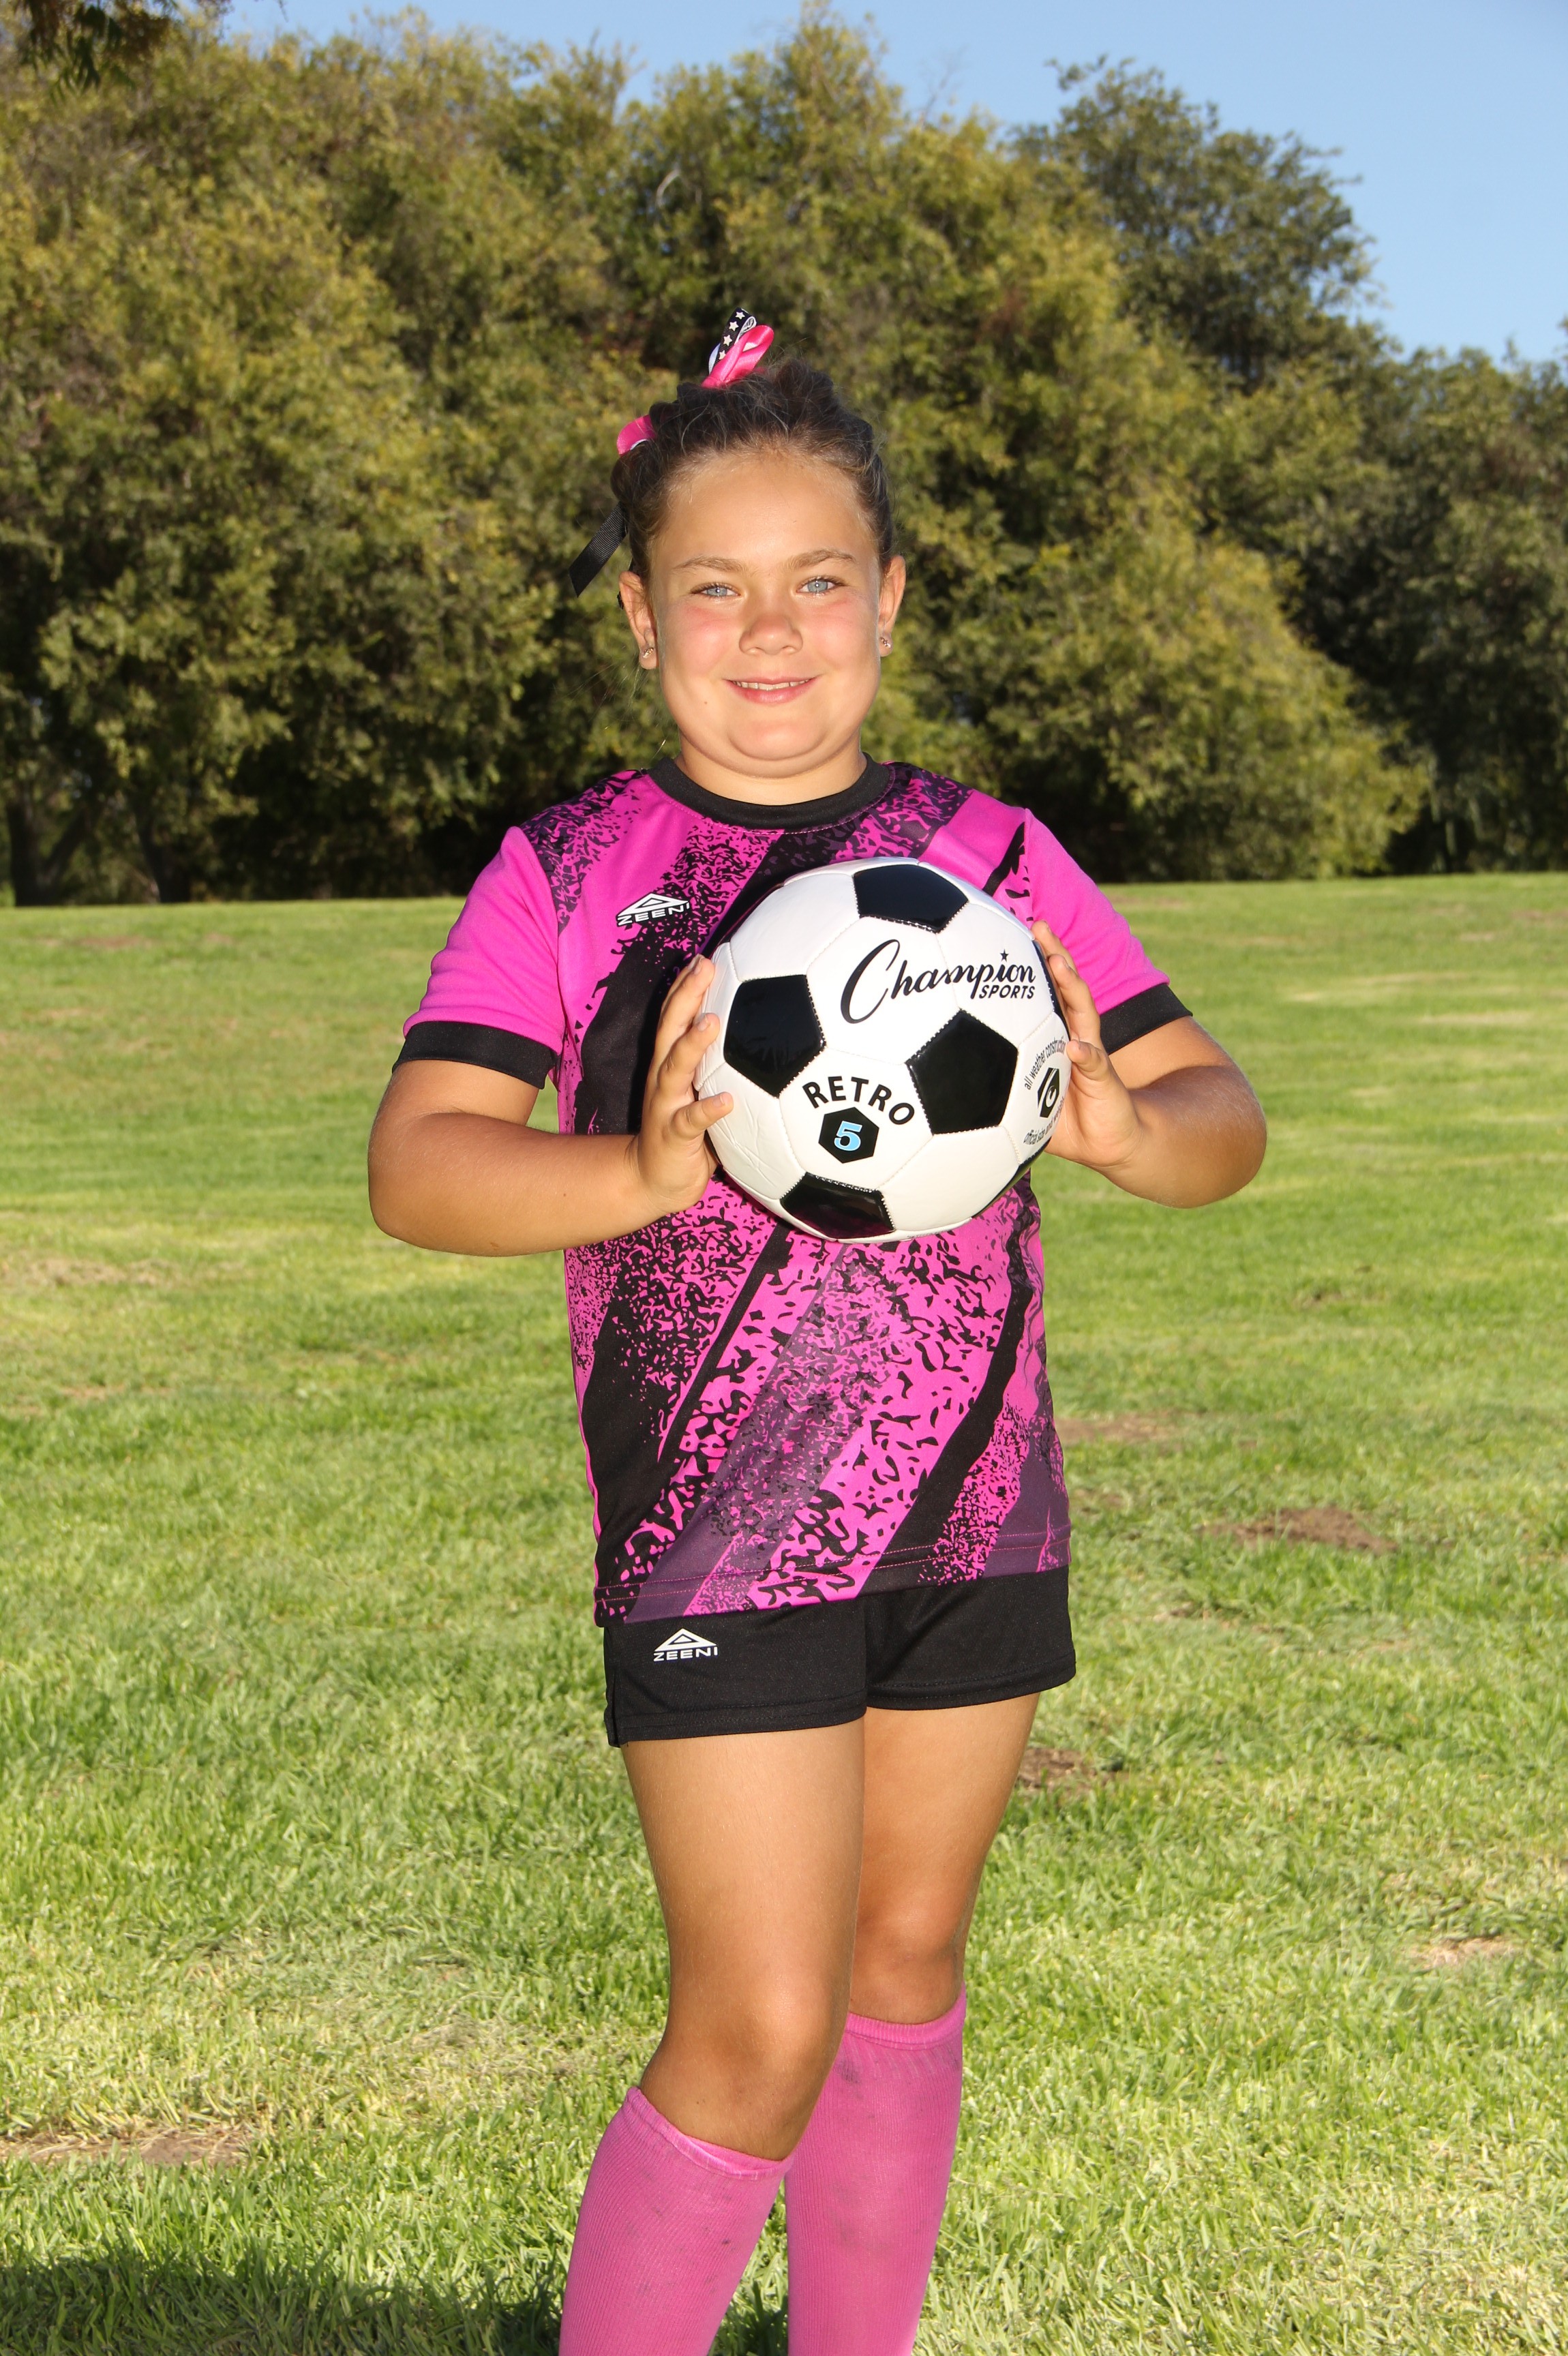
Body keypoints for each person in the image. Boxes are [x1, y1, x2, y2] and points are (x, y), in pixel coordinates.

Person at [367, 317, 1265, 2356]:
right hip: (720, 1531)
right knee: (760, 2023)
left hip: (977, 1510)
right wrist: (637, 1172)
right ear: (639, 614)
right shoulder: (569, 875)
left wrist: (1128, 1130)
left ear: (890, 599)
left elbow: (1221, 1117)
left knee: (902, 1964)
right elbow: (420, 1167)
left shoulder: (992, 859)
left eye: (819, 582)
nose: (770, 633)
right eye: (716, 588)